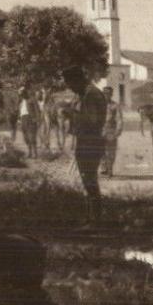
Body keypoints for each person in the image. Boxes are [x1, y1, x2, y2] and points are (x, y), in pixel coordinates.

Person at [62, 65, 107, 225]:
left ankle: (95, 220)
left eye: (71, 84)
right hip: (87, 141)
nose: (71, 89)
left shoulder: (91, 95)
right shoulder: (85, 94)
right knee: (88, 180)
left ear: (78, 80)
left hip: (91, 141)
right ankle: (92, 218)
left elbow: (92, 121)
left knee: (89, 181)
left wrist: (71, 114)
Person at [100, 86, 123, 177]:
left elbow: (119, 119)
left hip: (111, 130)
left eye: (108, 94)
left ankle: (110, 169)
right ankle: (104, 167)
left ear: (111, 95)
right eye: (104, 94)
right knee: (100, 151)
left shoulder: (115, 106)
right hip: (100, 131)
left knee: (111, 152)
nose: (106, 95)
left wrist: (118, 130)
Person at [18, 86, 40, 158]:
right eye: (21, 94)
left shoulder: (32, 99)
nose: (22, 95)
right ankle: (29, 152)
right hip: (23, 119)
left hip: (30, 119)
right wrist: (19, 120)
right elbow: (20, 112)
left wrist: (36, 119)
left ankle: (35, 153)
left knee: (32, 137)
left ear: (26, 93)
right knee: (26, 137)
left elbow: (37, 110)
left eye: (23, 93)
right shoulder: (21, 102)